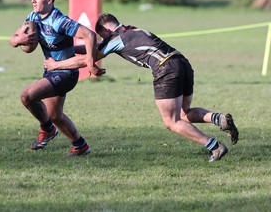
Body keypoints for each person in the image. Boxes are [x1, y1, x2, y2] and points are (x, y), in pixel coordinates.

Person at [44, 13, 239, 162]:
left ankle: (214, 147)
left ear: (105, 31)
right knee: (184, 113)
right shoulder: (132, 30)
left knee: (171, 122)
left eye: (101, 37)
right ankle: (218, 118)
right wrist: (67, 50)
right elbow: (92, 50)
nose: (102, 40)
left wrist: (56, 65)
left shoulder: (114, 39)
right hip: (182, 62)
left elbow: (89, 58)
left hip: (165, 69)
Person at [9, 0, 104, 156]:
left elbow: (89, 34)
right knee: (55, 116)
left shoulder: (59, 21)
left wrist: (91, 62)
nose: (33, 1)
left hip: (66, 74)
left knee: (27, 96)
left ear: (49, 0)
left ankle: (47, 129)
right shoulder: (32, 17)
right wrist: (18, 40)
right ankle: (80, 145)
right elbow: (13, 38)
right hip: (51, 72)